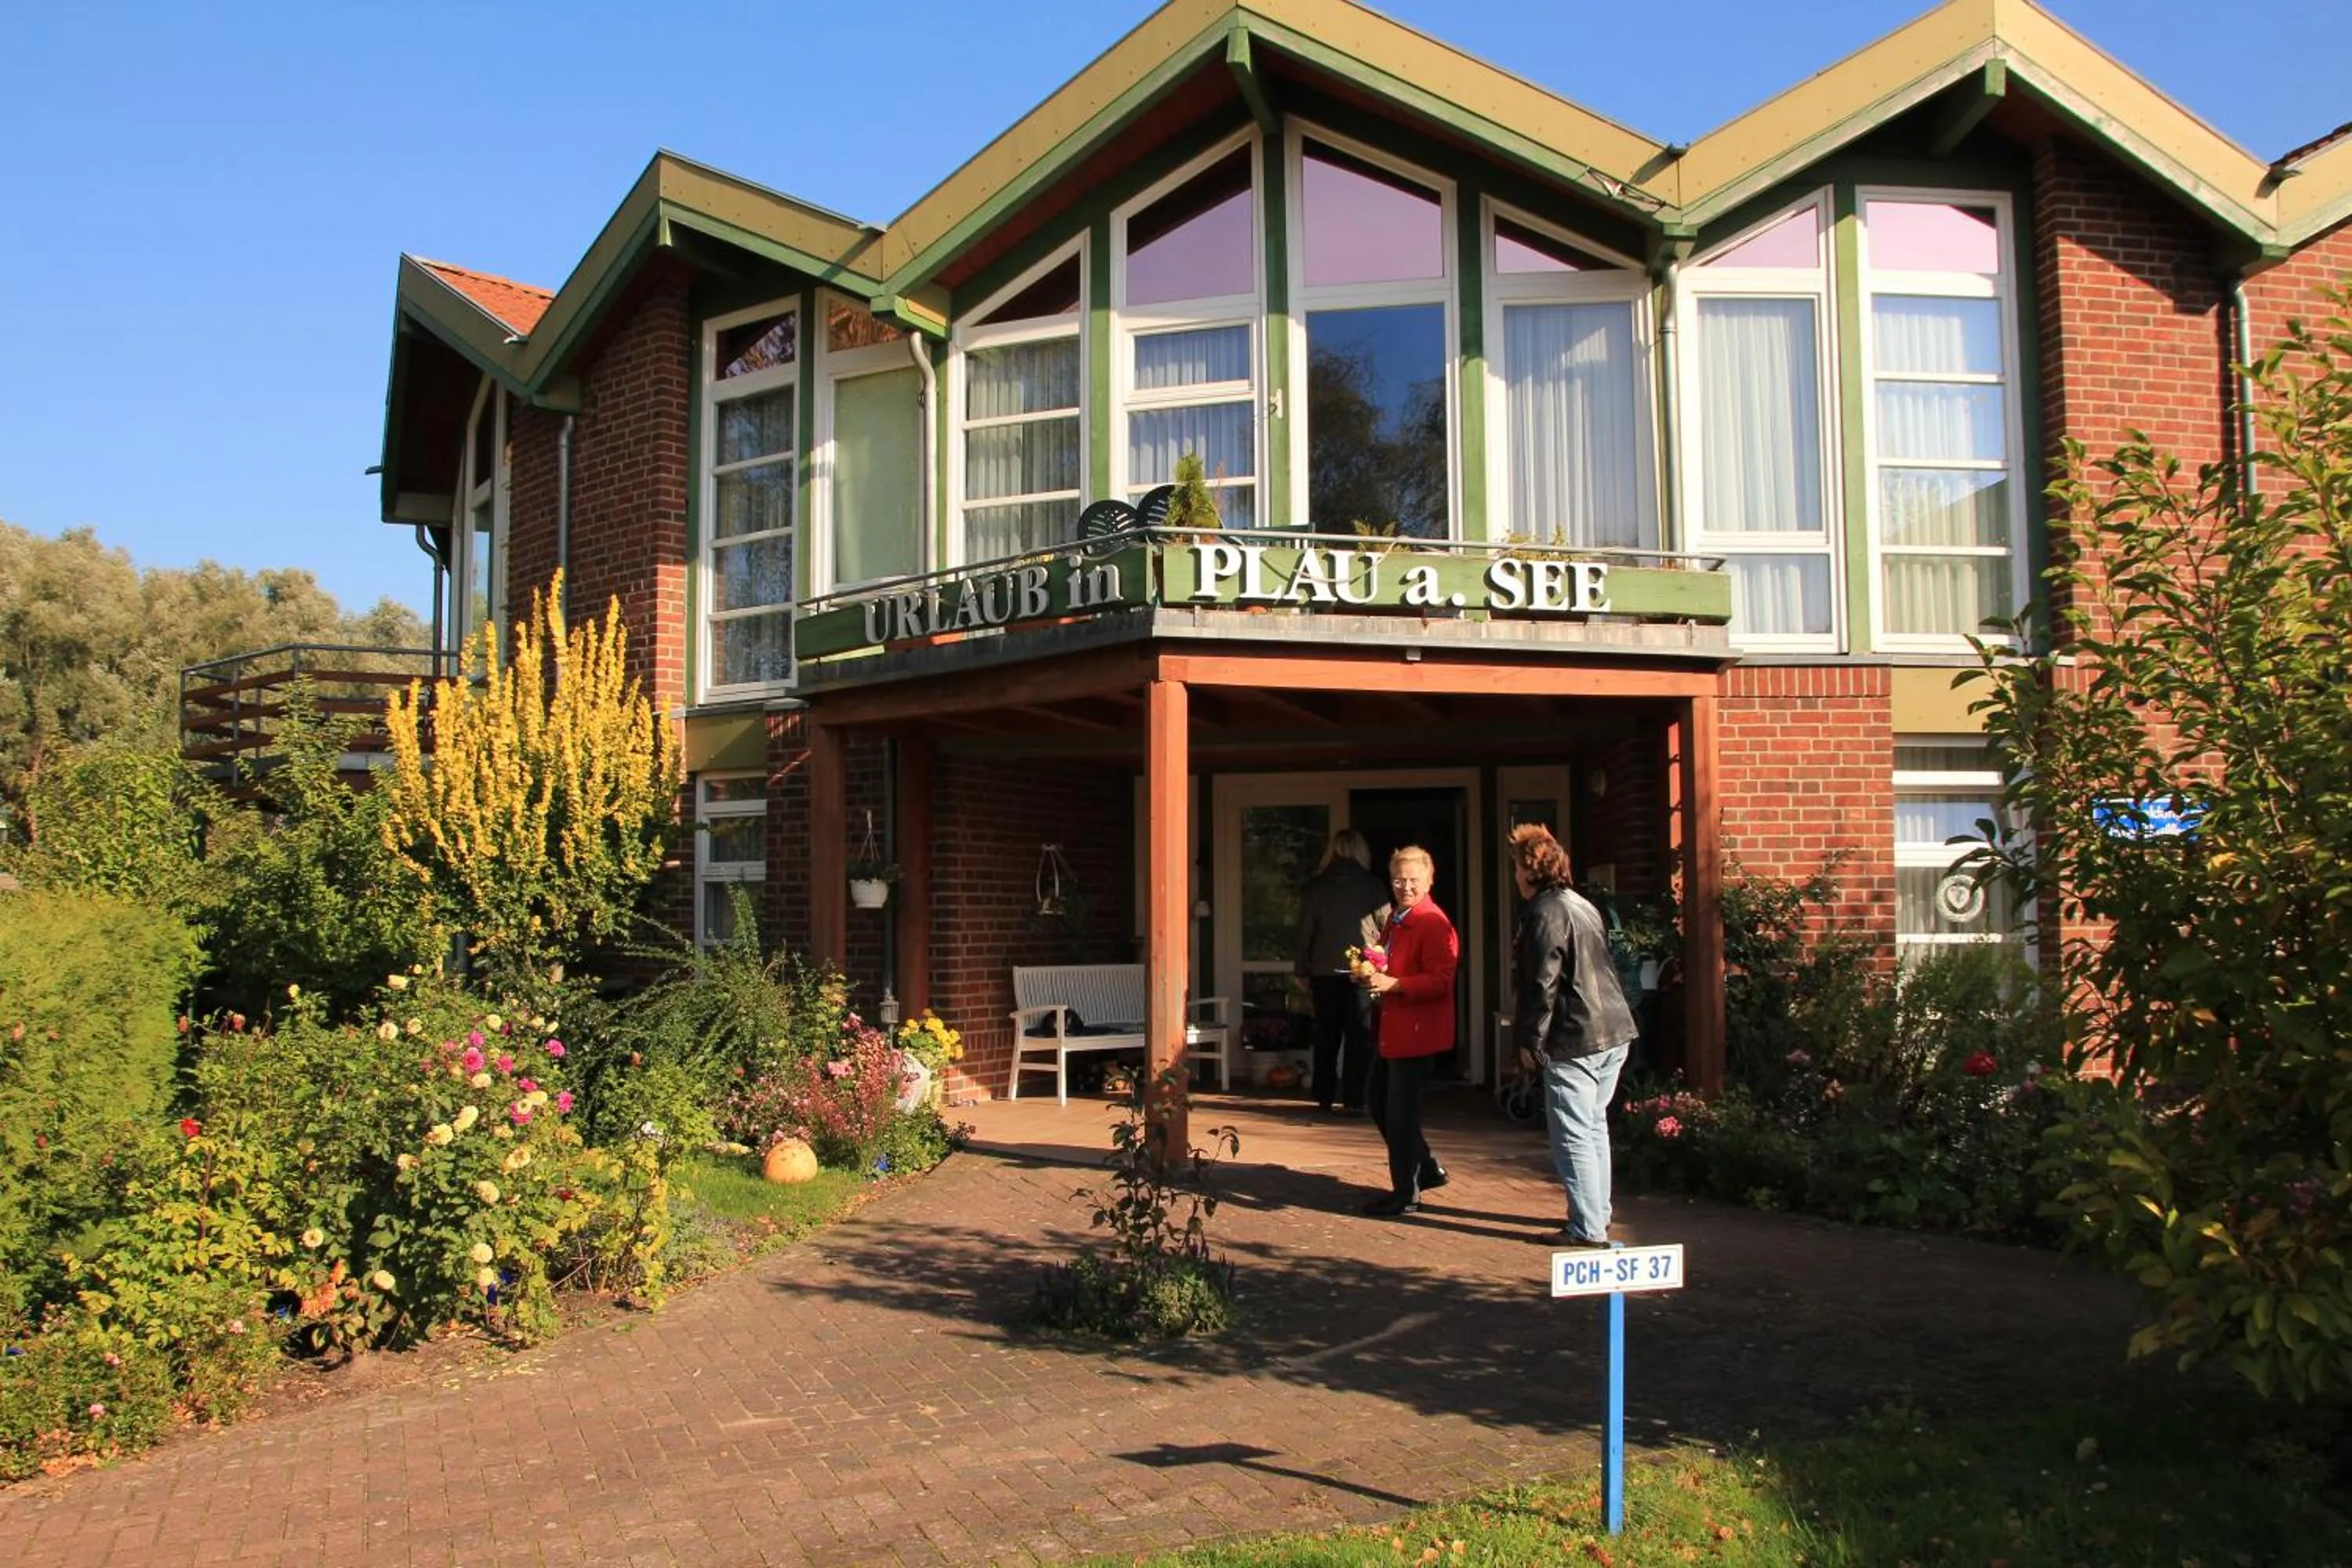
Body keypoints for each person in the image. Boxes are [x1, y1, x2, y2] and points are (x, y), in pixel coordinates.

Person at [1508, 823, 1639, 1246]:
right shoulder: (1581, 904)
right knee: (1593, 1127)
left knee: (1573, 1134)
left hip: (1575, 1035)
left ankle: (1587, 1231)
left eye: (1516, 868)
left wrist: (1530, 1043)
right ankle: (1596, 1217)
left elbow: (1541, 983)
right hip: (1612, 1029)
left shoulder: (1544, 912)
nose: (1515, 877)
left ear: (1530, 871)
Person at [1359, 844, 1457, 1216]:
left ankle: (1406, 1192)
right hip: (1393, 1029)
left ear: (1430, 880)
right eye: (1399, 879)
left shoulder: (1433, 922)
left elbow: (1441, 981)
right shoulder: (1397, 917)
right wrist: (1368, 970)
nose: (1406, 886)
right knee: (1380, 1101)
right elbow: (1385, 958)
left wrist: (1393, 984)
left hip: (1416, 1032)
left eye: (1414, 879)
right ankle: (1426, 1170)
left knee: (1401, 1114)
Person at [1294, 829, 1387, 1114]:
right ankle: (1355, 1098)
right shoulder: (1372, 885)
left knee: (1327, 1035)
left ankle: (1323, 1095)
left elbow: (1305, 932)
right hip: (1362, 969)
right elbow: (1386, 926)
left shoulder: (1318, 887)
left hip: (1324, 970)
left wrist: (1302, 969)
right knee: (1359, 1035)